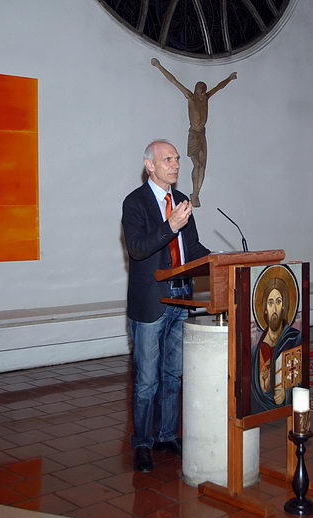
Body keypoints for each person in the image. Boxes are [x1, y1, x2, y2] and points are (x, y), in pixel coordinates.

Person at [121, 139, 210, 472]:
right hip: (151, 301)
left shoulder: (182, 200)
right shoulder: (135, 202)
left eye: (176, 159)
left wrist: (221, 260)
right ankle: (142, 443)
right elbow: (137, 248)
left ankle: (166, 435)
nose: (175, 164)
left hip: (181, 297)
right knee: (147, 380)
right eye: (168, 159)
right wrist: (169, 226)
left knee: (174, 374)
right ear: (150, 166)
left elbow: (192, 248)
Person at [151, 58, 237, 208]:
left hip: (202, 134)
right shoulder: (191, 97)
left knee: (202, 166)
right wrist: (159, 66)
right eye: (200, 90)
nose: (202, 92)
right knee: (197, 164)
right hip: (194, 135)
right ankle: (195, 193)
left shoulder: (206, 98)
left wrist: (229, 78)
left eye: (204, 90)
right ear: (196, 90)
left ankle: (196, 194)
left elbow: (219, 87)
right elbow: (174, 81)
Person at [251, 270, 302, 414]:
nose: (274, 309)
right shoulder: (255, 351)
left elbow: (299, 376)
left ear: (284, 306)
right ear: (265, 309)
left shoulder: (294, 339)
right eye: (270, 302)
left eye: (278, 302)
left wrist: (286, 392)